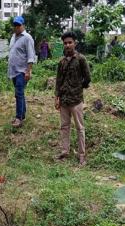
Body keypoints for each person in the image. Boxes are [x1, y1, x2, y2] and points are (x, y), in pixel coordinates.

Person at [55, 31, 91, 166]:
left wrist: (78, 88)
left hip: (76, 100)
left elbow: (87, 78)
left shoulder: (81, 59)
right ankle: (65, 151)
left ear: (74, 43)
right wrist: (56, 97)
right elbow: (58, 81)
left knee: (80, 128)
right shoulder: (62, 62)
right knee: (64, 126)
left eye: (70, 42)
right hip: (64, 100)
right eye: (65, 43)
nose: (68, 45)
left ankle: (82, 155)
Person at [8, 16, 35, 128]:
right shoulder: (13, 37)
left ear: (23, 25)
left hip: (22, 71)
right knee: (19, 93)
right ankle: (22, 115)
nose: (17, 27)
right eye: (15, 25)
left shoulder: (27, 38)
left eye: (19, 25)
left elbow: (30, 56)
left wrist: (28, 71)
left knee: (19, 93)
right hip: (13, 71)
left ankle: (19, 118)